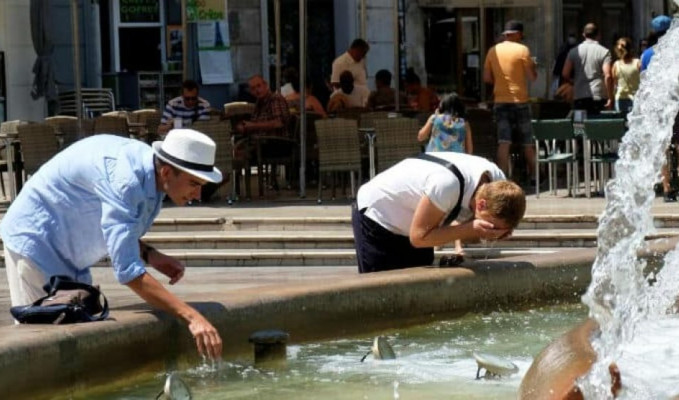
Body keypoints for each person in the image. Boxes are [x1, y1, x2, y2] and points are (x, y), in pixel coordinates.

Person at [0, 129, 223, 359]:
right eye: (194, 183)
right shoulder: (126, 180)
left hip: (68, 251)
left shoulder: (152, 174)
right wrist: (192, 317)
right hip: (35, 242)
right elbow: (128, 272)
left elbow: (120, 230)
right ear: (166, 171)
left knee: (73, 347)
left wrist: (150, 254)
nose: (198, 194)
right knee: (42, 350)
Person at [352, 152, 526, 273]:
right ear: (481, 205)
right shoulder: (446, 186)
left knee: (420, 294)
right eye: (492, 226)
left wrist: (500, 233)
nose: (490, 230)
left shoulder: (498, 184)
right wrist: (470, 229)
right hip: (378, 216)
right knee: (382, 295)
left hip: (420, 223)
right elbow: (418, 237)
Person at [417, 93, 474, 260]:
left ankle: (437, 241)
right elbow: (470, 150)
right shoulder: (464, 123)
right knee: (456, 206)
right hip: (455, 168)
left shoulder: (435, 119)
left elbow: (420, 136)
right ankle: (458, 246)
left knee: (436, 202)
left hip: (434, 166)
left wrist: (433, 117)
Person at [483, 20, 538, 181]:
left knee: (504, 141)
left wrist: (500, 82)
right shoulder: (523, 50)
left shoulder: (492, 51)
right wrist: (533, 66)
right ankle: (534, 176)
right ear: (517, 34)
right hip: (520, 100)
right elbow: (532, 77)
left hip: (500, 101)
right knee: (527, 142)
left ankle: (501, 179)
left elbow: (487, 78)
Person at [639, 15, 676, 202]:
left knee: (662, 147)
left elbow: (643, 81)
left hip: (657, 105)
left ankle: (667, 188)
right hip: (676, 102)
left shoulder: (647, 54)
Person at [561, 23, 613, 115]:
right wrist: (610, 97)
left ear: (584, 35)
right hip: (598, 95)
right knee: (597, 123)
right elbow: (608, 76)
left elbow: (565, 73)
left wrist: (574, 82)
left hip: (579, 96)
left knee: (579, 123)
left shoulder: (573, 52)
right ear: (598, 35)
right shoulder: (604, 52)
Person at [612, 37, 640, 114]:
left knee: (620, 120)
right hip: (635, 97)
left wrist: (611, 98)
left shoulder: (616, 65)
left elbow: (615, 84)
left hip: (620, 98)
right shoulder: (637, 63)